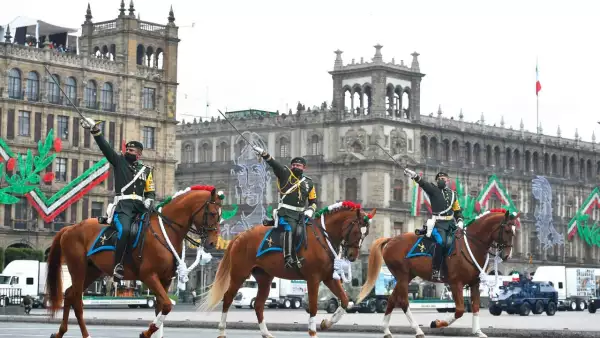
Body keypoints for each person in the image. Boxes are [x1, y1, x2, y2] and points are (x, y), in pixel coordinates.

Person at [80, 117, 156, 280]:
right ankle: (118, 265)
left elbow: (150, 190)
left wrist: (149, 199)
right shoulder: (119, 162)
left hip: (141, 207)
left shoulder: (146, 170)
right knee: (125, 230)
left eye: (131, 151)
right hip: (124, 207)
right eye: (127, 150)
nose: (128, 152)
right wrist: (96, 132)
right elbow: (106, 148)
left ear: (139, 154)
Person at [252, 145, 318, 269]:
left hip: (301, 215)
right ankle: (288, 258)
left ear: (304, 168)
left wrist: (310, 209)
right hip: (285, 212)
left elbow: (313, 201)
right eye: (294, 165)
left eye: (298, 166)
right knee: (290, 228)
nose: (295, 167)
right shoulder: (285, 174)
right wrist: (264, 154)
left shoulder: (309, 183)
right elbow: (274, 164)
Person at [404, 169, 464, 281]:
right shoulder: (433, 190)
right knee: (441, 242)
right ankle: (436, 269)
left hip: (450, 224)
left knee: (457, 243)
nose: (441, 180)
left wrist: (460, 220)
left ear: (447, 180)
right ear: (437, 181)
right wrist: (415, 176)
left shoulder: (453, 195)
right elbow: (423, 184)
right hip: (438, 224)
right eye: (439, 179)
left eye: (443, 179)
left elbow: (457, 210)